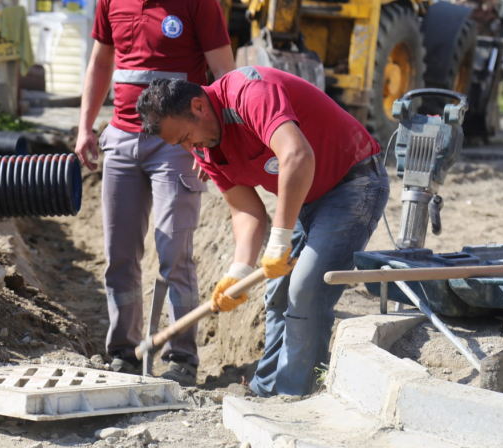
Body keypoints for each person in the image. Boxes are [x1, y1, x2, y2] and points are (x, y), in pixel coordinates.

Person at [135, 66, 390, 397]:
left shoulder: (249, 93)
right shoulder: (204, 146)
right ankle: (266, 388)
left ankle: (294, 396)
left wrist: (280, 241)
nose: (189, 147)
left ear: (198, 106)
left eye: (185, 137)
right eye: (180, 143)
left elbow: (297, 156)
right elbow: (247, 211)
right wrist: (239, 272)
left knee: (306, 291)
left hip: (353, 183)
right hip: (307, 198)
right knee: (277, 294)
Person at [74, 0, 235, 386]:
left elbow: (226, 75)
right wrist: (85, 127)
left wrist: (215, 145)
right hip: (121, 139)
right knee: (119, 254)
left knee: (174, 254)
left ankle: (181, 356)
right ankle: (124, 353)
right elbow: (101, 61)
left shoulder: (198, 3)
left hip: (177, 145)